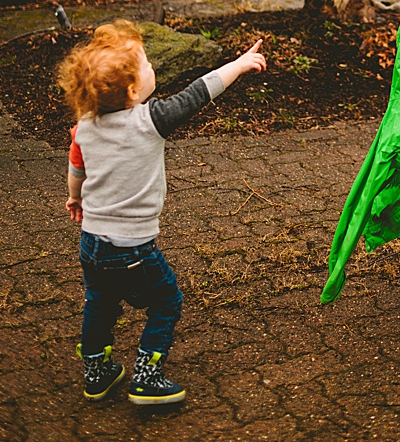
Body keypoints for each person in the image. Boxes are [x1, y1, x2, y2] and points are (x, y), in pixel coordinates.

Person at [62, 21, 266, 404]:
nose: (152, 68)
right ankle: (146, 376)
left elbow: (77, 169)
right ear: (133, 89)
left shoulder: (84, 127)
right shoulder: (149, 120)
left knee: (100, 304)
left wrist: (75, 199)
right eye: (147, 65)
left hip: (91, 243)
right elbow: (198, 93)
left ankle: (97, 374)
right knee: (167, 301)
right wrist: (239, 65)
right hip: (133, 249)